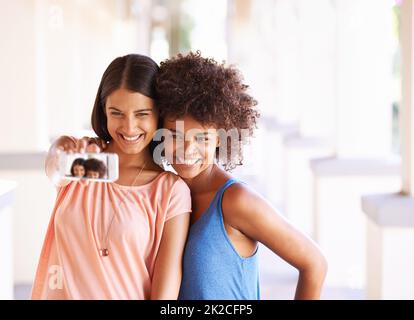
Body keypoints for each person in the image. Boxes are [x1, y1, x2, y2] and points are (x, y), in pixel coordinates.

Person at [155, 51, 328, 300]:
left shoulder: (235, 200)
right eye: (174, 134)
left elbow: (315, 262)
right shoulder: (166, 192)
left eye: (201, 137)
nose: (186, 149)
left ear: (221, 137)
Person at [31, 54, 191, 300]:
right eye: (117, 113)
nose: (128, 127)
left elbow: (165, 293)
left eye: (142, 114)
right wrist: (58, 148)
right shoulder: (85, 158)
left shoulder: (169, 191)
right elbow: (53, 169)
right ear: (103, 111)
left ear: (159, 114)